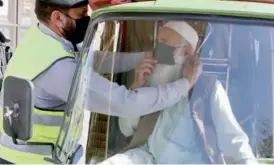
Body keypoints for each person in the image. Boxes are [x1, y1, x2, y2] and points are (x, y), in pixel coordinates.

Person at [0, 0, 200, 164]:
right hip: (31, 159)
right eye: (81, 15)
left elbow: (91, 61)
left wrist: (144, 56)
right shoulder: (57, 68)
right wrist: (186, 84)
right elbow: (125, 102)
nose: (87, 19)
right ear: (58, 18)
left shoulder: (41, 41)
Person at [100, 21, 257, 164]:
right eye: (157, 42)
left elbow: (233, 141)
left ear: (186, 52)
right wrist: (136, 88)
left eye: (164, 43)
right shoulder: (152, 81)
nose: (157, 50)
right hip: (148, 158)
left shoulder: (208, 89)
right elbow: (127, 129)